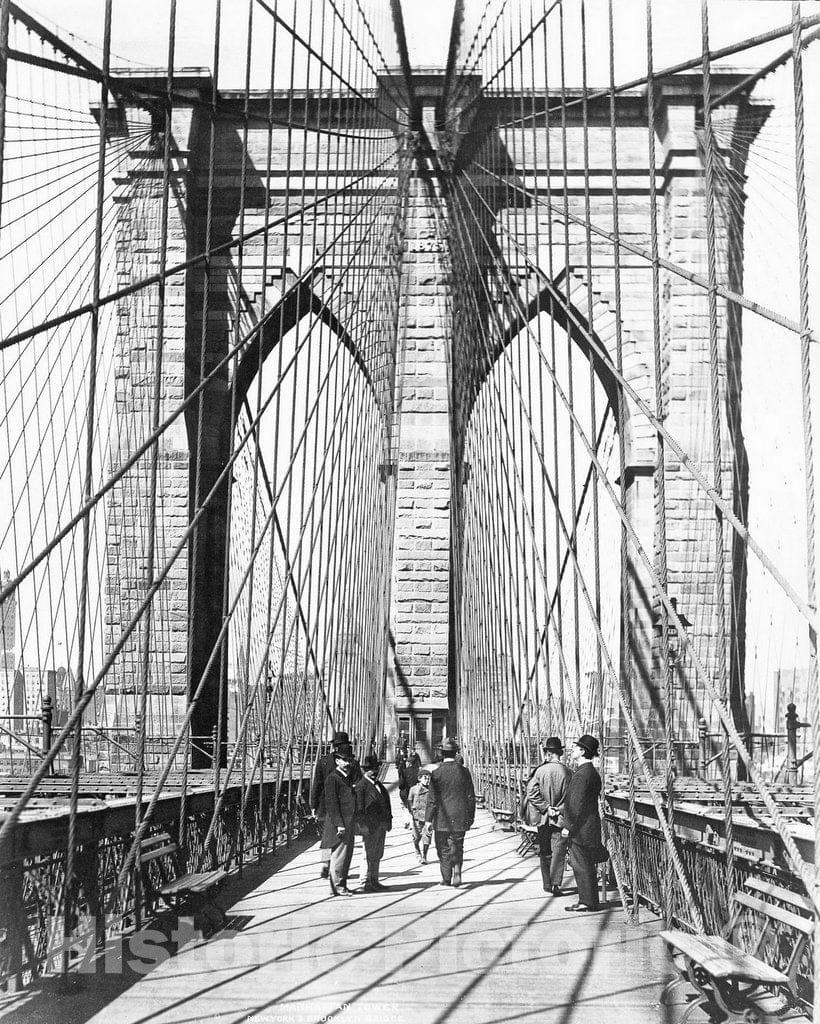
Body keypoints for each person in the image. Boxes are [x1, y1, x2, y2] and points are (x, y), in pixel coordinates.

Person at [423, 737, 475, 887]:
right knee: (458, 845)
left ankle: (446, 877)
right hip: (460, 816)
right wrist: (470, 817)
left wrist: (427, 821)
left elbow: (432, 800)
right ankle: (457, 866)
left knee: (443, 847)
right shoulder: (464, 772)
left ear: (442, 753)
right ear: (455, 753)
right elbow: (471, 797)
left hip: (441, 818)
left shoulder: (437, 774)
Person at [310, 730, 361, 879]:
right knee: (335, 836)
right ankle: (332, 866)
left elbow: (317, 785)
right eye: (341, 745)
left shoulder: (323, 761)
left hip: (327, 805)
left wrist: (313, 804)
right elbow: (357, 783)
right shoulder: (351, 763)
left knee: (327, 835)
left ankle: (328, 864)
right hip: (338, 806)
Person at [561, 734, 603, 912]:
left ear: (583, 751)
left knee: (581, 864)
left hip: (580, 828)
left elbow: (575, 805)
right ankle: (589, 900)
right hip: (590, 826)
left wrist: (567, 827)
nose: (572, 750)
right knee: (586, 863)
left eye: (575, 748)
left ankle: (587, 901)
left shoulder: (581, 775)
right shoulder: (592, 773)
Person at [526, 736, 572, 895]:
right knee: (558, 852)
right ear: (559, 753)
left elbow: (531, 793)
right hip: (560, 818)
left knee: (545, 850)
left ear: (549, 753)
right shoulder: (568, 772)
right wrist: (557, 809)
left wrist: (546, 808)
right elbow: (571, 798)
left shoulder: (540, 770)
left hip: (543, 818)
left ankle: (546, 883)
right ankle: (556, 884)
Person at [321, 743, 359, 896]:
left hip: (348, 823)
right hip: (340, 824)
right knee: (339, 858)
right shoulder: (333, 778)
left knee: (346, 857)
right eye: (344, 760)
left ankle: (340, 885)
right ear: (337, 761)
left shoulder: (347, 778)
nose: (348, 763)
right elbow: (332, 804)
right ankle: (337, 887)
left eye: (349, 760)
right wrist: (339, 825)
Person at [354, 753, 392, 892]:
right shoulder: (361, 787)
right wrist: (362, 826)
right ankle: (364, 881)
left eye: (376, 769)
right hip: (369, 826)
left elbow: (386, 803)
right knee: (367, 854)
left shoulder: (379, 785)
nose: (374, 772)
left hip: (380, 825)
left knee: (377, 853)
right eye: (371, 769)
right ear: (365, 770)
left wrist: (388, 821)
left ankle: (374, 880)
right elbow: (359, 808)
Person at [408, 766, 432, 863]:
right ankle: (417, 851)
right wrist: (411, 812)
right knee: (416, 837)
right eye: (425, 778)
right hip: (416, 817)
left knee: (427, 837)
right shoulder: (414, 789)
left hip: (428, 817)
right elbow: (409, 800)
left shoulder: (432, 790)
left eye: (429, 778)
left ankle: (424, 856)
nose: (427, 780)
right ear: (419, 778)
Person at [398, 747, 421, 823]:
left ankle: (407, 821)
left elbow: (401, 784)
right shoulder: (418, 771)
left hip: (406, 793)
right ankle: (414, 821)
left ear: (409, 763)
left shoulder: (405, 772)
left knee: (404, 807)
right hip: (416, 793)